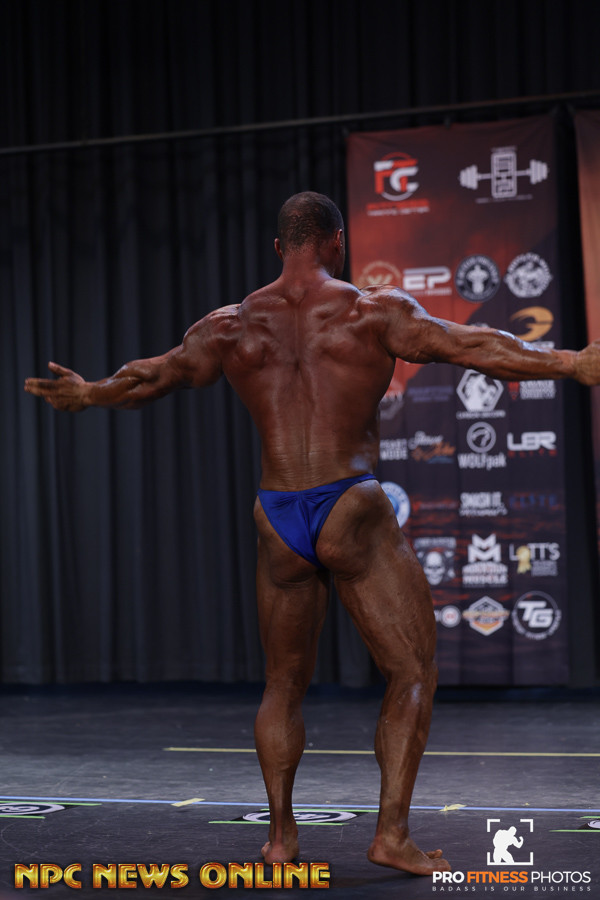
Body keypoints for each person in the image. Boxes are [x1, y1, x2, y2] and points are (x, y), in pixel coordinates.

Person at [24, 191, 600, 877]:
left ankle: (280, 839)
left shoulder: (232, 325)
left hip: (278, 513)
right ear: (337, 243)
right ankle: (390, 836)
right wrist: (570, 363)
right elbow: (472, 345)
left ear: (279, 248)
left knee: (282, 683)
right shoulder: (370, 312)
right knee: (412, 670)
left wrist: (91, 392)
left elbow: (156, 374)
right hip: (348, 503)